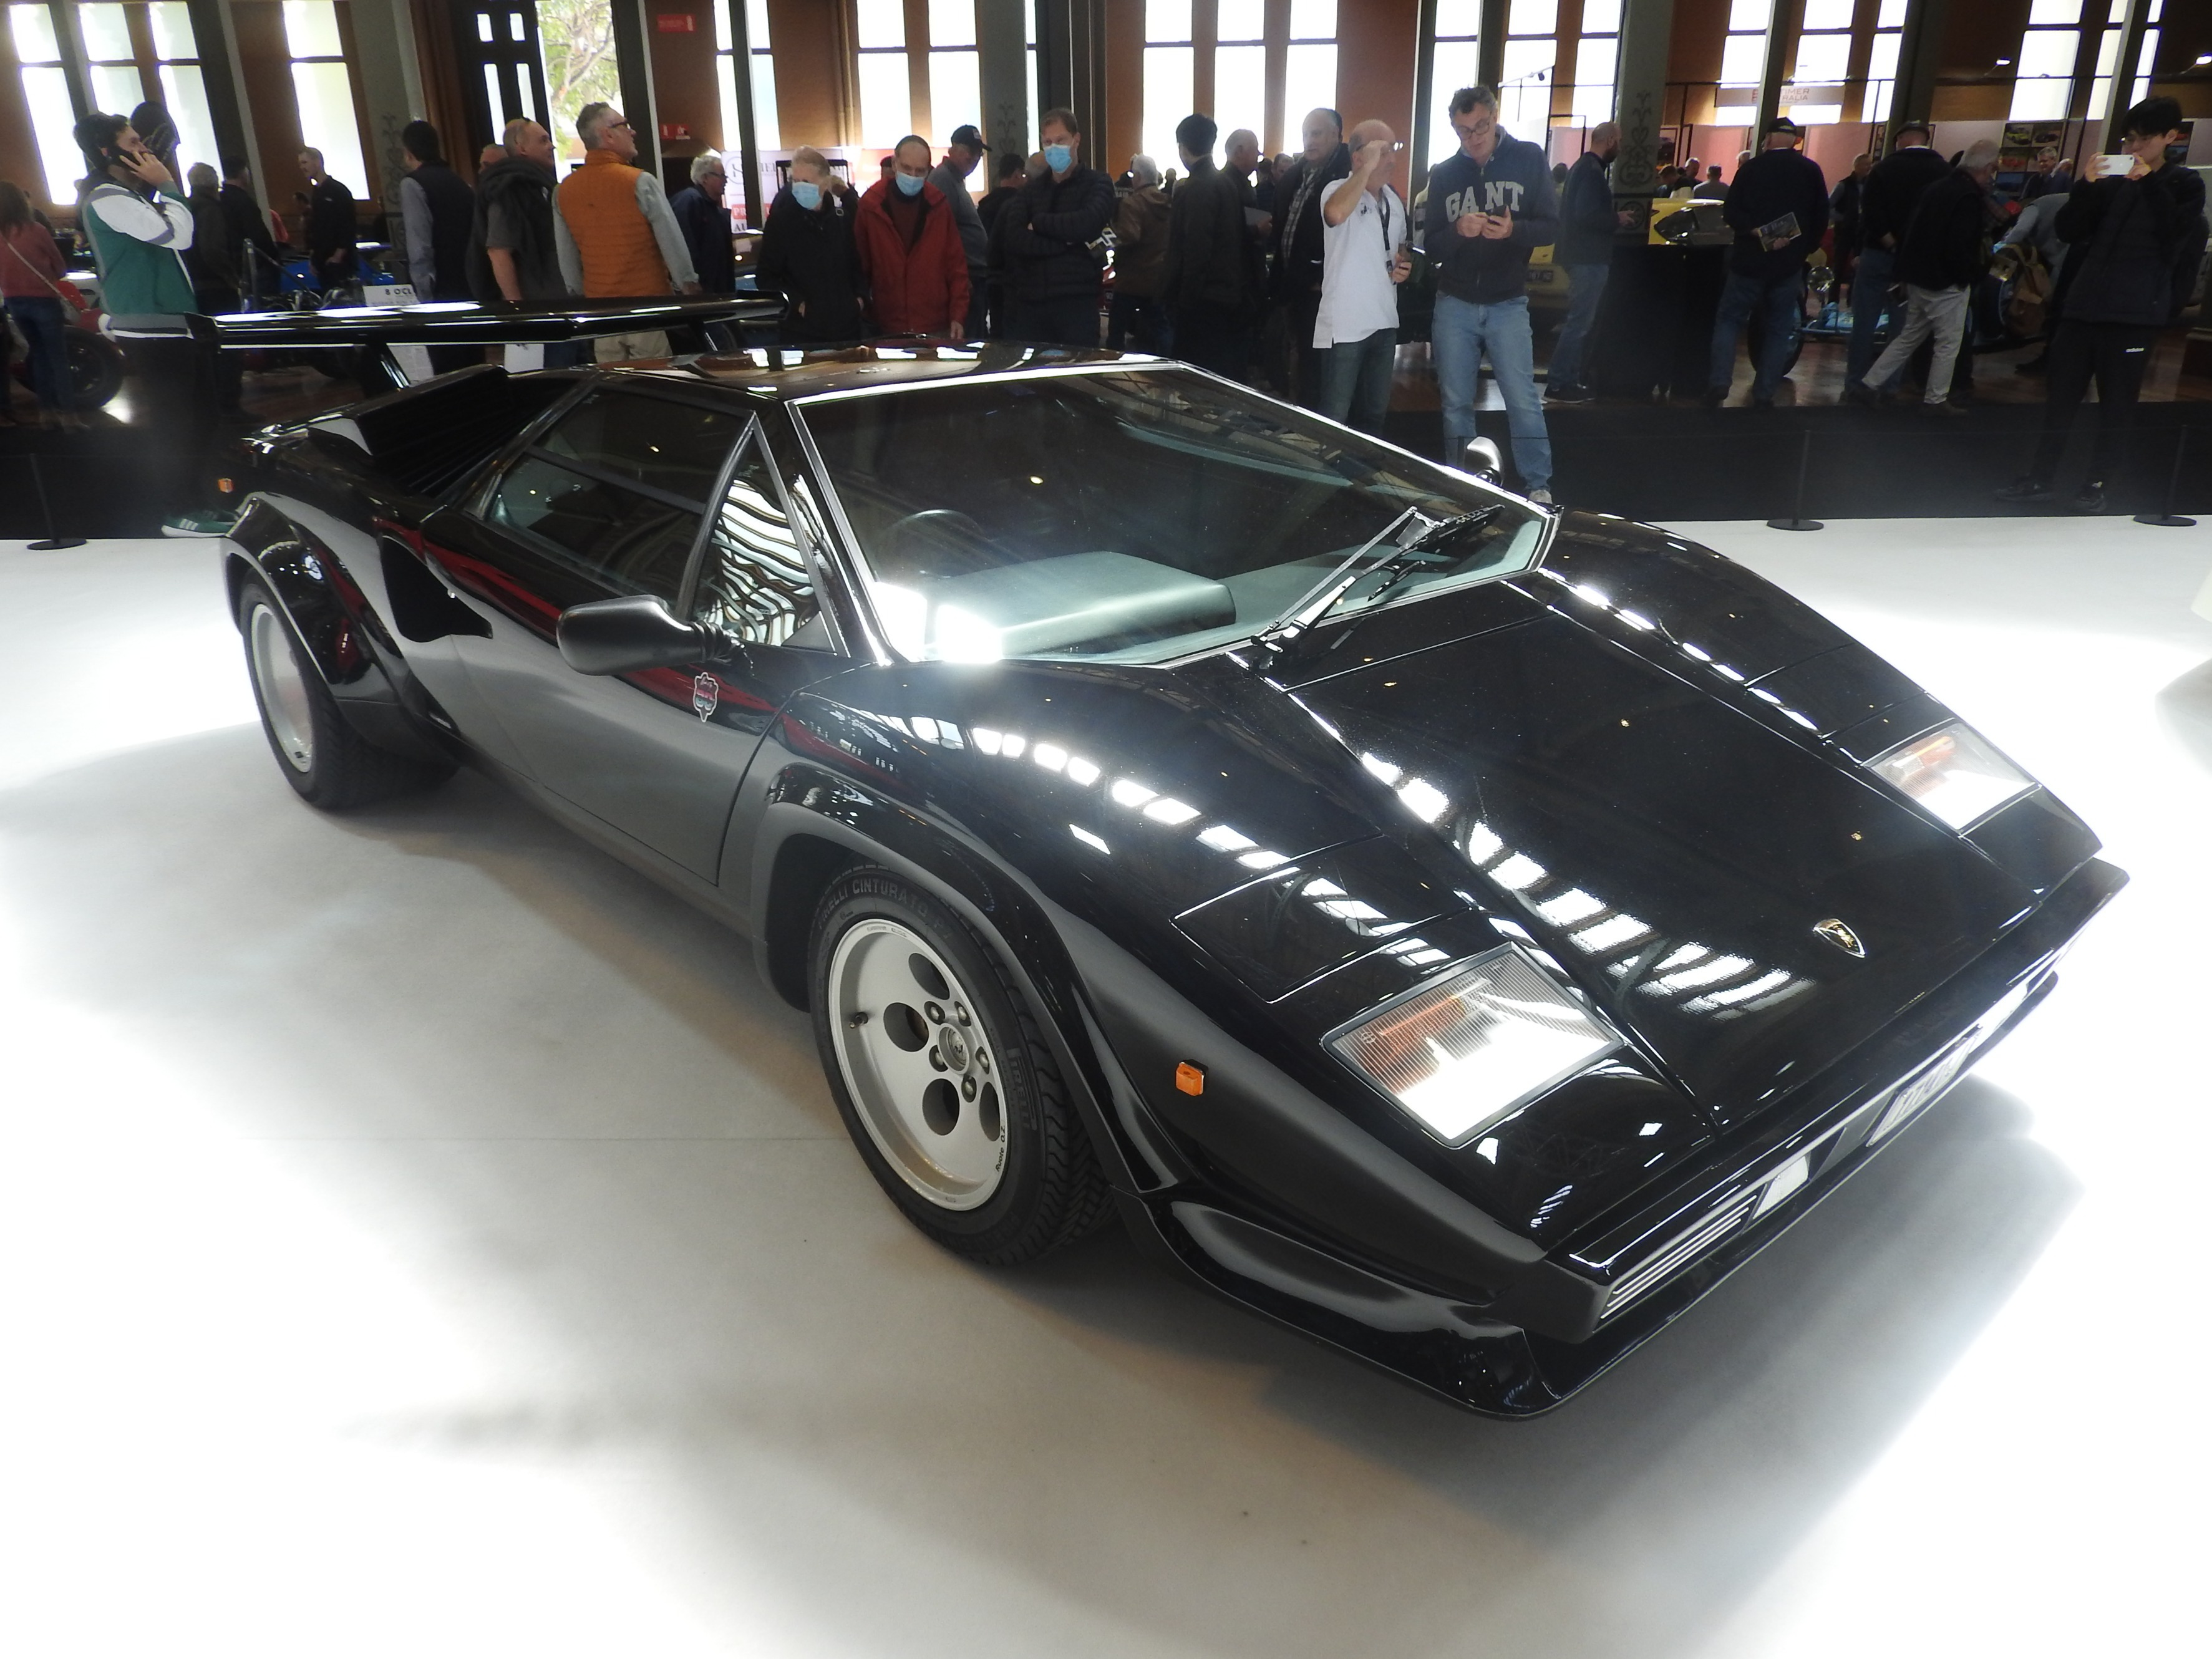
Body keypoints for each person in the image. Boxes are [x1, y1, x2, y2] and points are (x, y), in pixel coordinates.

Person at [1999, 97, 2208, 512]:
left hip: (2134, 314)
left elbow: (2176, 235)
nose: (2135, 148)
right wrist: (2087, 185)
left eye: (2145, 139)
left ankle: (2097, 483)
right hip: (2083, 306)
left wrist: (2149, 182)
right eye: (2129, 140)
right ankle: (2040, 477)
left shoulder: (2185, 184)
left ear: (2170, 137)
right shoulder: (2112, 182)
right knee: (2060, 399)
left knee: (2116, 404)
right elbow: (2069, 230)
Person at [1425, 84, 1560, 500]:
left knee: (1522, 399)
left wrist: (1514, 231)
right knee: (1456, 402)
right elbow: (1432, 247)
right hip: (1455, 301)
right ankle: (1463, 482)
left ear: (1495, 117)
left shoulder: (1528, 158)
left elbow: (1551, 227)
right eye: (1464, 131)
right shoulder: (1444, 174)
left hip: (1508, 301)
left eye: (1481, 126)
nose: (1474, 137)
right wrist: (1458, 231)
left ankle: (1538, 485)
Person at [1852, 139, 2000, 417]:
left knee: (1908, 336)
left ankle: (1868, 384)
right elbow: (1960, 245)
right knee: (1948, 342)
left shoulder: (1935, 189)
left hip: (1918, 277)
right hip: (1946, 282)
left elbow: (1912, 231)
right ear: (1989, 167)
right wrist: (1969, 275)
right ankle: (1935, 399)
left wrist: (1905, 271)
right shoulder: (1967, 196)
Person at [555, 102, 699, 361]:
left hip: (602, 316)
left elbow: (568, 262)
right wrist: (689, 289)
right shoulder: (639, 182)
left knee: (616, 383)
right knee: (656, 380)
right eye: (625, 125)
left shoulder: (563, 191)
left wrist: (582, 300)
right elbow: (672, 244)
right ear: (608, 135)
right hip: (647, 310)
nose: (632, 132)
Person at [1704, 117, 1826, 409]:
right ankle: (1765, 392)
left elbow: (1731, 212)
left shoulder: (1751, 169)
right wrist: (1802, 250)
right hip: (1787, 264)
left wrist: (1756, 231)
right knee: (1778, 327)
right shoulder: (1810, 170)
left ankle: (1720, 381)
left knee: (1730, 319)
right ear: (1795, 141)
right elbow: (1821, 215)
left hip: (1749, 261)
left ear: (1768, 139)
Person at [1312, 119, 1410, 434]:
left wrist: (1402, 264)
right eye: (1383, 151)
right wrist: (1365, 170)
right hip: (1345, 327)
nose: (1392, 159)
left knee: (1375, 417)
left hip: (1385, 321)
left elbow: (1400, 246)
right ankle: (1327, 468)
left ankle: (1366, 468)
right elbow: (1335, 214)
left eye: (1394, 149)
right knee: (1334, 417)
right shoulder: (1335, 190)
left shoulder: (1393, 200)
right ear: (1358, 156)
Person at [1846, 121, 1949, 390]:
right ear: (1926, 140)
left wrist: (1890, 244)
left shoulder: (1883, 169)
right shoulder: (1943, 171)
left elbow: (1870, 214)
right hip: (1915, 262)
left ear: (1900, 140)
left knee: (1864, 324)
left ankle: (1856, 384)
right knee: (1902, 330)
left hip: (1877, 254)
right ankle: (1888, 387)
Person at [999, 107, 1115, 346]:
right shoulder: (1030, 191)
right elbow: (1015, 239)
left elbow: (1088, 224)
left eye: (1061, 141)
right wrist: (1068, 244)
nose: (1054, 148)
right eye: (1048, 142)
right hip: (1032, 306)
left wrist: (1039, 223)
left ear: (1076, 140)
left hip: (1077, 304)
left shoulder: (1098, 183)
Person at [1162, 115, 1256, 377]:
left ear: (1182, 147)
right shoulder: (1227, 184)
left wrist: (1183, 301)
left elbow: (1196, 250)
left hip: (1202, 303)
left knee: (1196, 379)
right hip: (1228, 296)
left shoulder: (1195, 188)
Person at [1271, 107, 1352, 405]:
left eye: (1316, 134)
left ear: (1336, 135)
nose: (1309, 141)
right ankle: (1298, 412)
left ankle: (1319, 420)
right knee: (1297, 359)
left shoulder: (1348, 175)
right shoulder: (1296, 174)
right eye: (1306, 134)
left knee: (1319, 369)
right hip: (1293, 285)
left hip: (1325, 290)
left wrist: (1320, 277)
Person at [1547, 120, 1629, 405]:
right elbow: (1587, 215)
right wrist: (1616, 218)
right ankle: (1560, 382)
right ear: (1610, 141)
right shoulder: (1593, 173)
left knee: (1578, 321)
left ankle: (1568, 380)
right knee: (1579, 323)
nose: (1621, 147)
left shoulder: (1580, 168)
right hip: (1588, 258)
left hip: (1577, 256)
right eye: (1619, 141)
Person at [855, 135, 969, 337]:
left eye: (920, 171)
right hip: (886, 325)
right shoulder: (871, 206)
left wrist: (958, 316)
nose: (912, 176)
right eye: (907, 169)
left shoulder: (939, 205)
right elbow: (858, 265)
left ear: (928, 171)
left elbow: (956, 266)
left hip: (935, 324)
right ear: (894, 164)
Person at [756, 145, 863, 346]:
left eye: (806, 182)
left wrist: (858, 300)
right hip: (802, 333)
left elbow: (855, 266)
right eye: (795, 181)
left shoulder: (840, 219)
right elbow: (766, 276)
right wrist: (797, 303)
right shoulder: (781, 222)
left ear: (825, 184)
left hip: (846, 331)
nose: (799, 187)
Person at [0, 178, 77, 428]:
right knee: (58, 358)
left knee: (38, 355)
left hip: (14, 302)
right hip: (43, 300)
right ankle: (69, 416)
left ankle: (46, 413)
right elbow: (60, 267)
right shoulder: (36, 230)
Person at [397, 120, 476, 303]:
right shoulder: (460, 182)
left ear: (409, 153)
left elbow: (419, 244)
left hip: (440, 286)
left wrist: (424, 292)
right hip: (469, 280)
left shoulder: (413, 184)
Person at [928, 123, 990, 339]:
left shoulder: (955, 180)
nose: (974, 158)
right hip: (967, 277)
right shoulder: (943, 179)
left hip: (973, 275)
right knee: (970, 342)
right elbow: (941, 235)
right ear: (952, 149)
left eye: (979, 154)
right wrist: (960, 281)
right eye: (970, 151)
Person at [1109, 153, 1171, 353]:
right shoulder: (1167, 202)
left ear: (1137, 176)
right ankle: (1169, 363)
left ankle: (1113, 366)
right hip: (1158, 278)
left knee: (1116, 331)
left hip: (1131, 280)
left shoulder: (1132, 204)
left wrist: (1112, 236)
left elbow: (1130, 236)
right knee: (1161, 327)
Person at [669, 152, 737, 294]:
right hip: (700, 293)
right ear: (705, 178)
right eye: (721, 176)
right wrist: (693, 282)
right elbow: (683, 247)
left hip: (716, 291)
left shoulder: (713, 209)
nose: (725, 181)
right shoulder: (690, 203)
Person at [296, 146, 357, 289]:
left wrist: (339, 255)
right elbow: (316, 227)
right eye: (300, 164)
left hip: (339, 264)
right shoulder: (316, 192)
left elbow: (348, 225)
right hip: (322, 263)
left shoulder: (338, 191)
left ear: (317, 162)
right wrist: (313, 257)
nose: (302, 167)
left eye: (305, 163)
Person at [218, 156, 278, 299]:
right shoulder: (244, 202)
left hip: (234, 267)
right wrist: (274, 257)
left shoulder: (219, 201)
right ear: (243, 173)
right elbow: (259, 236)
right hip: (255, 267)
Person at [1829, 152, 1873, 289]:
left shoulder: (1870, 186)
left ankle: (1852, 296)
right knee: (1839, 265)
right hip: (1844, 231)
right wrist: (1843, 218)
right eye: (1866, 164)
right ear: (1857, 166)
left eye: (1870, 164)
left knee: (1859, 266)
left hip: (1862, 232)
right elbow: (1828, 207)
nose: (1869, 167)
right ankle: (1833, 297)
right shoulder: (1844, 185)